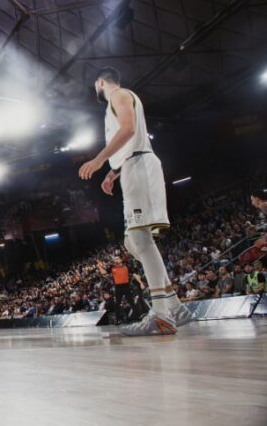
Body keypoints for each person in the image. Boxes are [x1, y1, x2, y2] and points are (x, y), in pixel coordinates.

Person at [78, 67, 191, 335]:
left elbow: (129, 130)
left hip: (140, 166)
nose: (95, 89)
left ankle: (162, 314)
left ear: (100, 82)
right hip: (132, 166)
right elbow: (129, 142)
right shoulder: (119, 100)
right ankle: (174, 306)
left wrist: (99, 160)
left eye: (95, 85)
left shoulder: (118, 95)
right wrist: (113, 172)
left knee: (140, 238)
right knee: (133, 241)